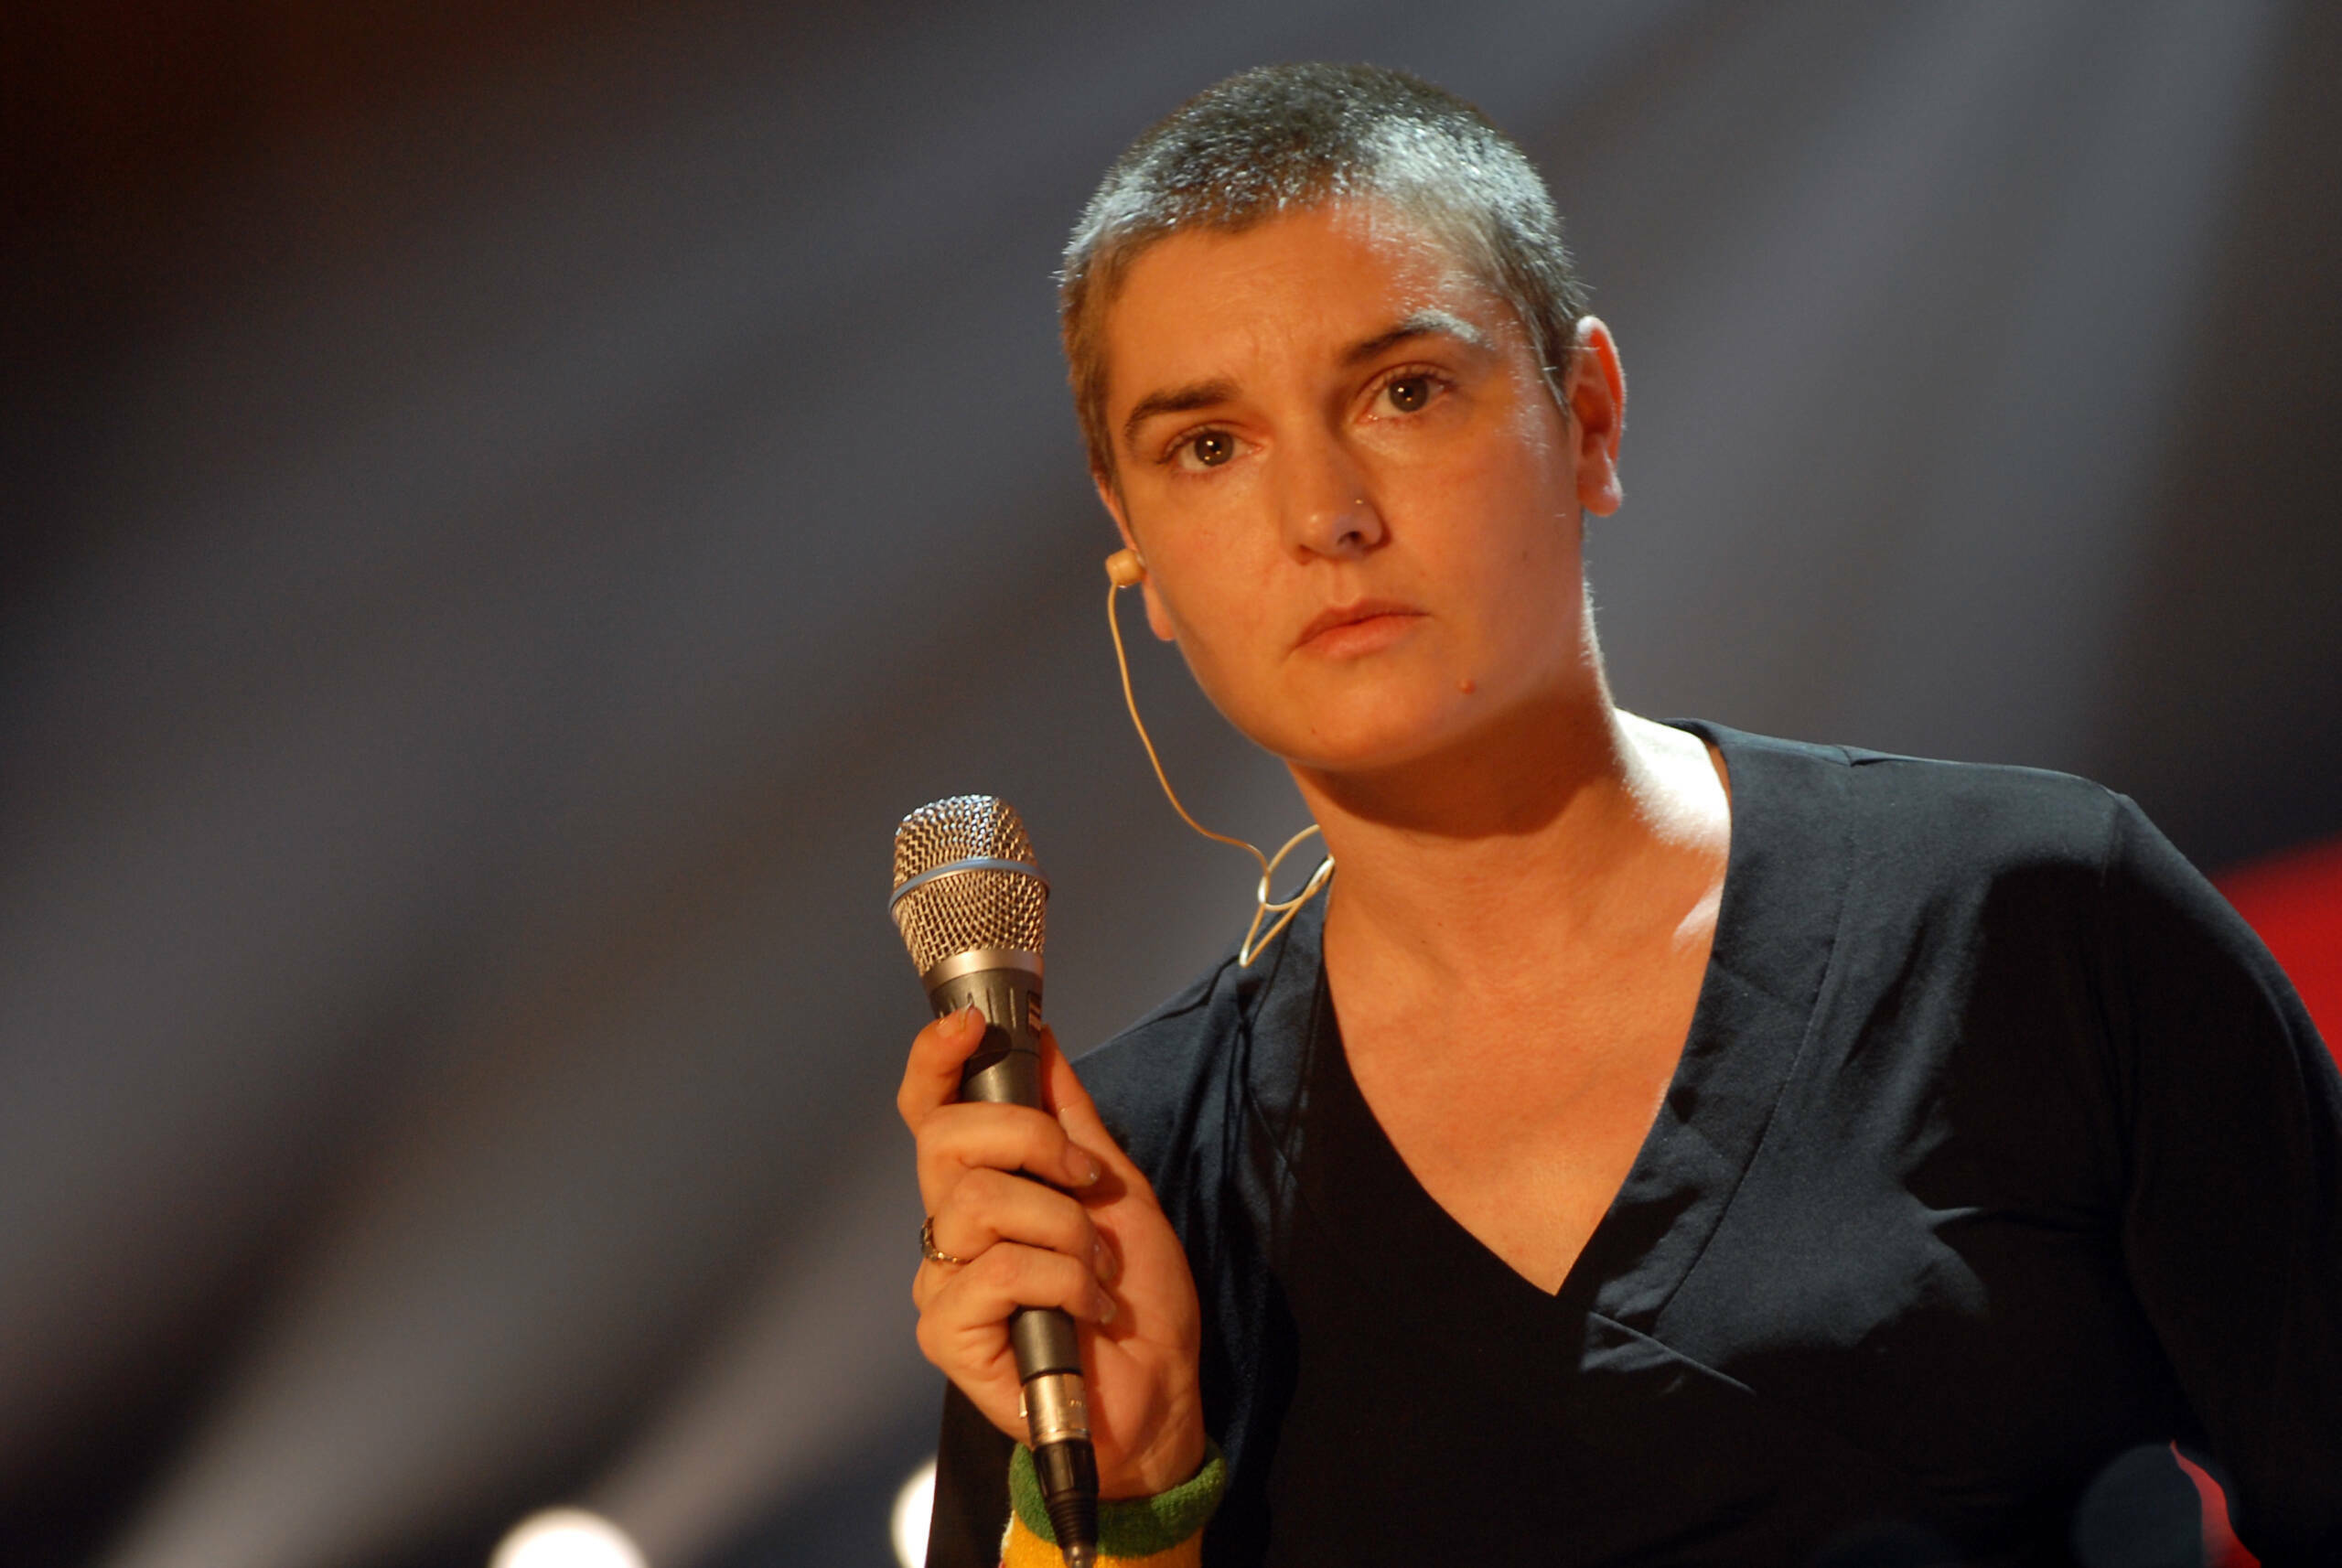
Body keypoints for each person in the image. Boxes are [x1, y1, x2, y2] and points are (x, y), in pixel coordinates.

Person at [897, 63, 2342, 1568]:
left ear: (1586, 413)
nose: (1323, 514)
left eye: (1404, 391)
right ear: (1133, 540)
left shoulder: (2035, 922)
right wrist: (1137, 1488)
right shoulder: (1107, 1186)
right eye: (1209, 445)